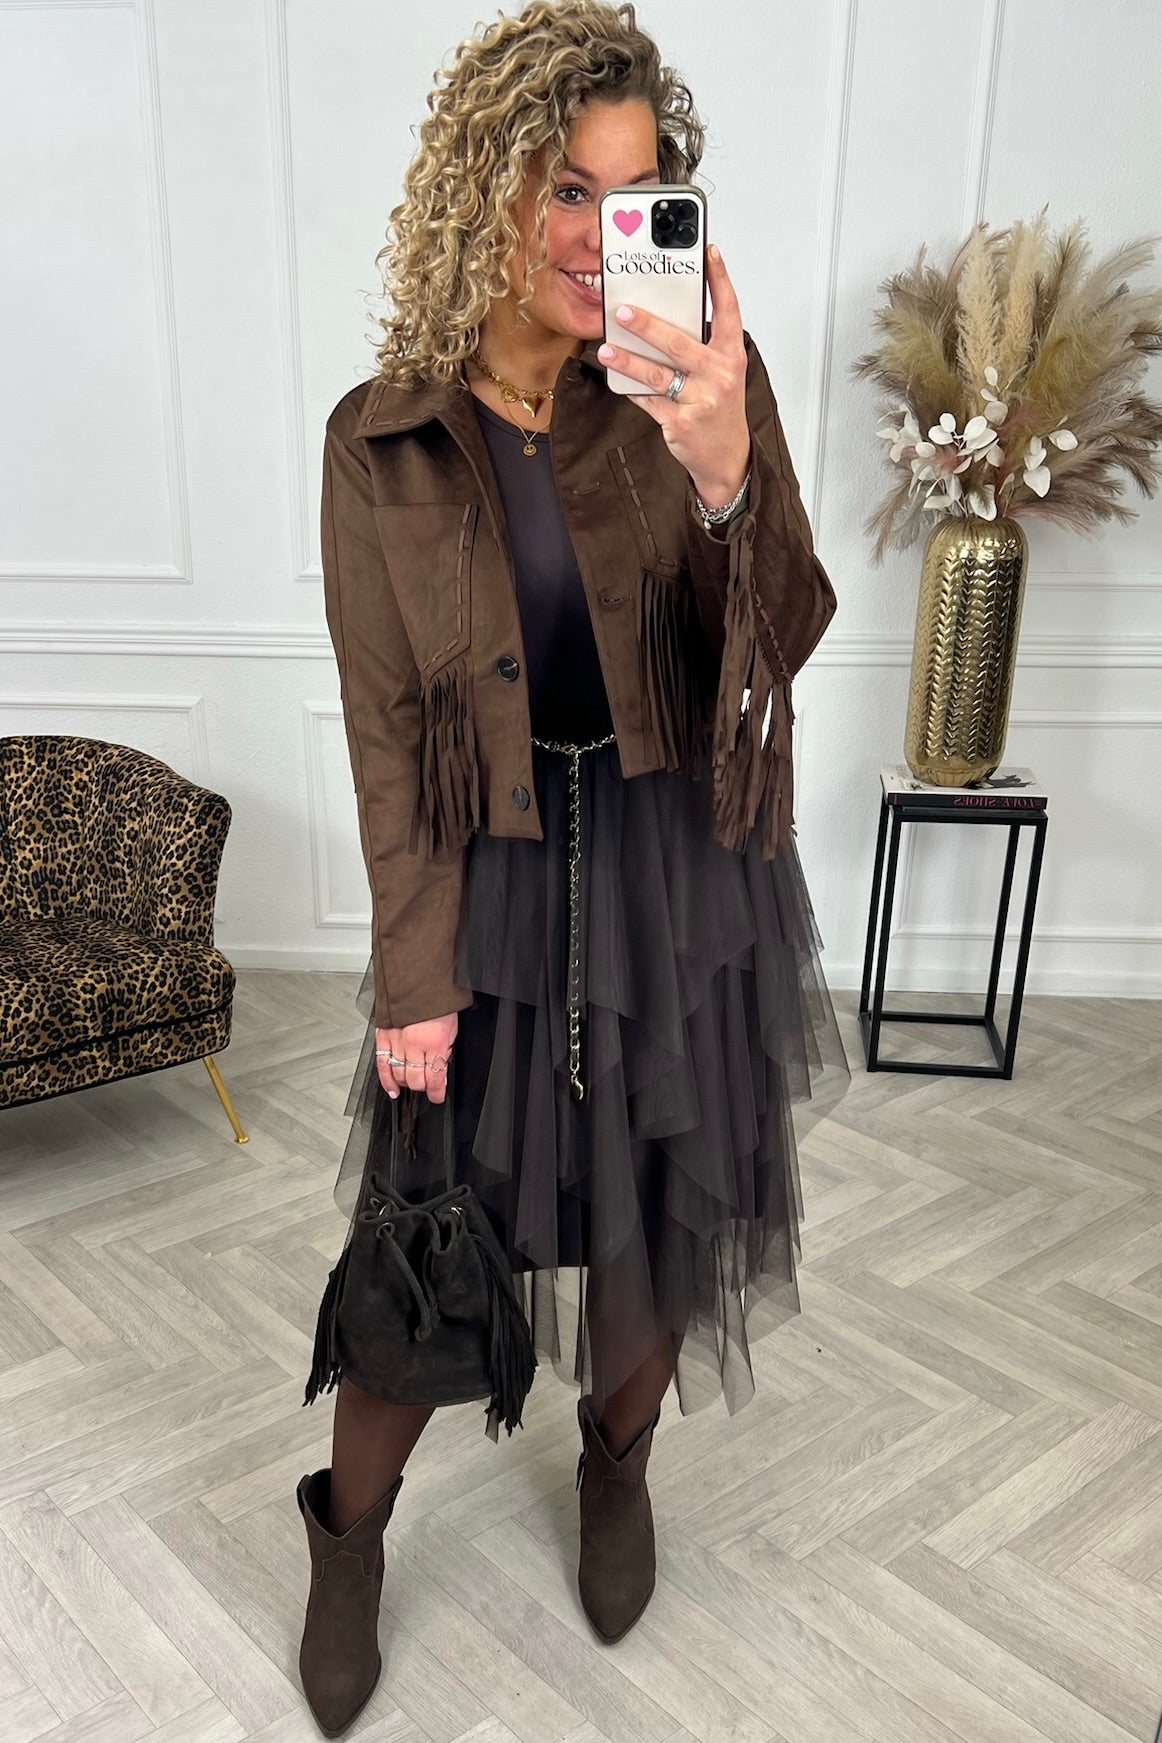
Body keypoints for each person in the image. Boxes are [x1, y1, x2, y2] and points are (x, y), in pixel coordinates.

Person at [296, 0, 851, 1731]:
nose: (600, 238)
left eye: (633, 197)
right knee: (427, 1230)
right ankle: (349, 1538)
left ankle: (618, 1469)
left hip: (673, 861)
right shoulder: (380, 438)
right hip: (490, 879)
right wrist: (411, 980)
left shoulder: (692, 386)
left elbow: (784, 636)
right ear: (484, 190)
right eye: (563, 190)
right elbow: (388, 731)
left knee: (649, 1217)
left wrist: (723, 475)